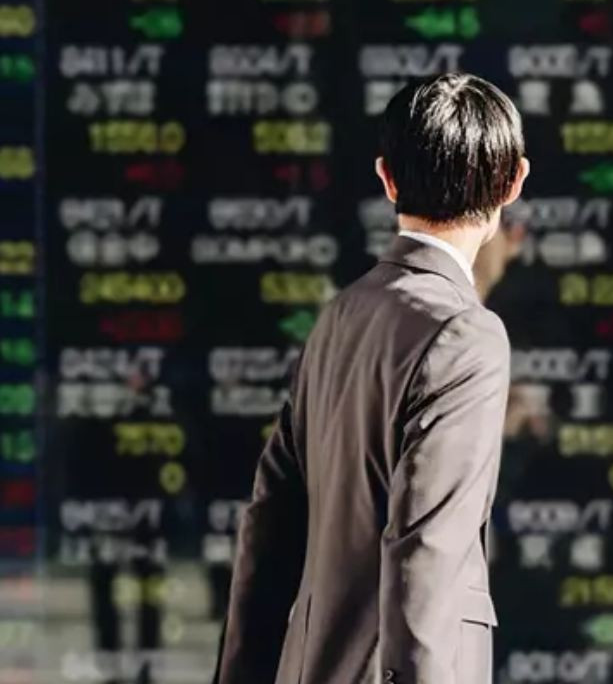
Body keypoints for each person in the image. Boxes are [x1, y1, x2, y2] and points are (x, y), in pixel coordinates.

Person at [213, 73, 531, 684]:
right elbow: (426, 555)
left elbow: (270, 526)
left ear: (386, 178)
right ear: (513, 181)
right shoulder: (468, 333)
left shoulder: (340, 316)